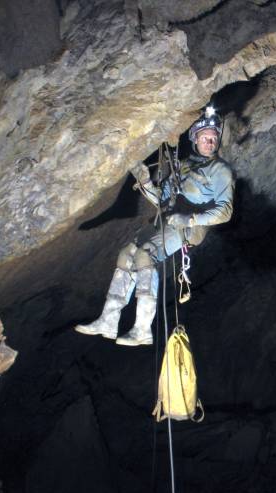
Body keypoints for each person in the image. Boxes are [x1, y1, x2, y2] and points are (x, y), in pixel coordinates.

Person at [75, 107, 234, 345]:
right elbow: (161, 199)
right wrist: (146, 182)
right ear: (195, 139)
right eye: (205, 137)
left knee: (145, 256)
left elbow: (226, 211)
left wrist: (190, 219)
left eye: (213, 138)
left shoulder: (220, 170)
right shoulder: (184, 166)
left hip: (189, 227)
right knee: (126, 255)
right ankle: (108, 321)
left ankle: (142, 330)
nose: (210, 142)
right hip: (168, 219)